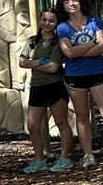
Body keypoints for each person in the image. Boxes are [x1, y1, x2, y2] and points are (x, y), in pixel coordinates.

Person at [56, 0, 103, 168]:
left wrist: (79, 52)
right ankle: (88, 154)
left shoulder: (94, 20)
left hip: (96, 73)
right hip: (75, 76)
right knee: (82, 115)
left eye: (74, 0)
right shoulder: (62, 27)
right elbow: (68, 53)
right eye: (66, 2)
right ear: (63, 7)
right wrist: (90, 44)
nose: (71, 4)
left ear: (81, 2)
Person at [19, 9, 74, 173]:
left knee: (61, 122)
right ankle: (39, 160)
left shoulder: (58, 42)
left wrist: (32, 63)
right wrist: (40, 61)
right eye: (44, 19)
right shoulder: (32, 41)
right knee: (32, 126)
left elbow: (53, 68)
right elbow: (21, 62)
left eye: (51, 20)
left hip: (55, 86)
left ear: (57, 23)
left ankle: (64, 158)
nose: (47, 23)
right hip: (37, 87)